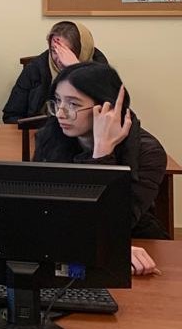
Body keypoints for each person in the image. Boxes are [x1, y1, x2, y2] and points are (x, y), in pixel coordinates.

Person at [33, 62, 167, 276]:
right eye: (57, 101)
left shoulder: (147, 152)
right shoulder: (51, 137)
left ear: (107, 108)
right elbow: (41, 210)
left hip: (132, 245)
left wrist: (102, 153)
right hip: (65, 244)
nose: (60, 113)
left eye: (73, 104)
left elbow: (117, 221)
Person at [2, 20, 108, 123]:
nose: (59, 58)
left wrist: (76, 70)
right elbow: (11, 116)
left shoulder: (100, 68)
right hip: (41, 131)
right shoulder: (35, 68)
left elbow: (109, 113)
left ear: (82, 51)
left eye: (66, 52)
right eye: (54, 50)